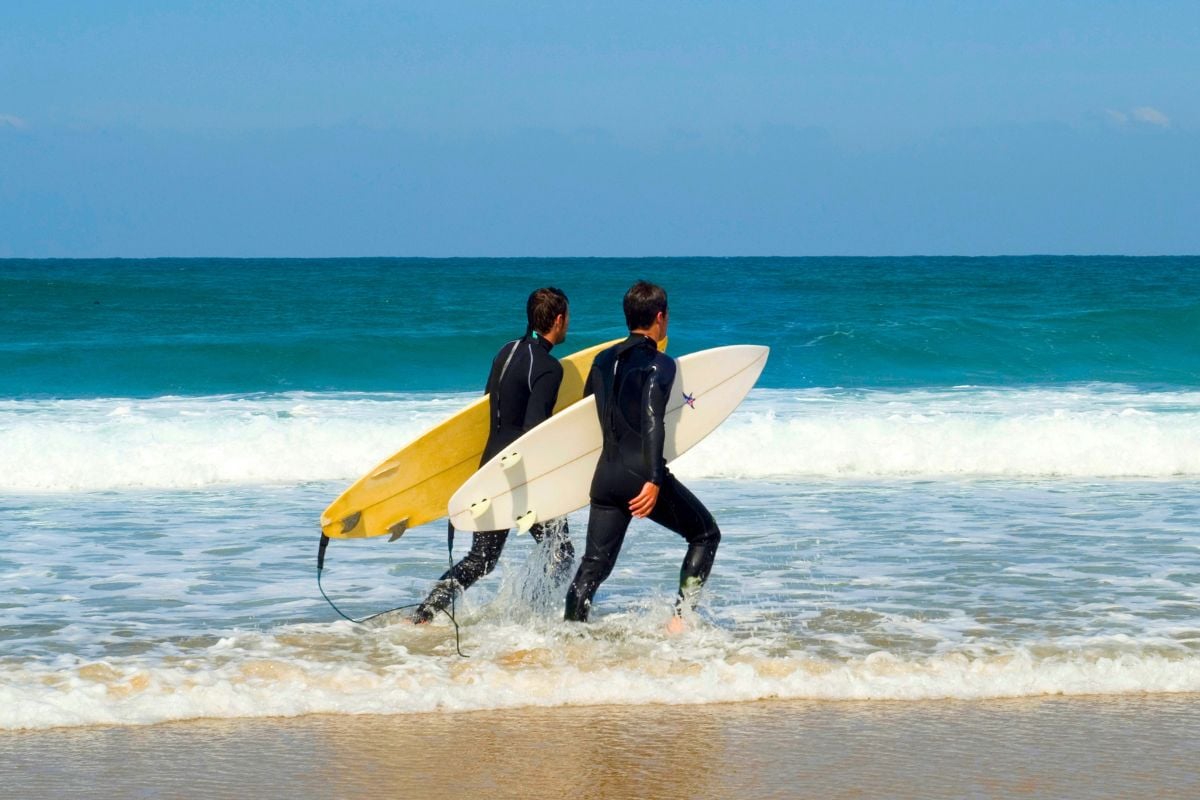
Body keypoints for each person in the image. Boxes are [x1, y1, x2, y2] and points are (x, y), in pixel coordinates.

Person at [412, 287, 574, 624]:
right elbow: (535, 430)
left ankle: (425, 613)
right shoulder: (548, 367)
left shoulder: (505, 351)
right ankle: (537, 618)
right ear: (558, 320)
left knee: (481, 559)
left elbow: (487, 405)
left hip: (489, 469)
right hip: (522, 475)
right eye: (567, 318)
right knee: (562, 553)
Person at [564, 281, 720, 628]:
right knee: (705, 535)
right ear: (660, 318)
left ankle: (569, 637)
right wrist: (653, 480)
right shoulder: (659, 364)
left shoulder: (602, 360)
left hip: (604, 477)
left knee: (593, 567)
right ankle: (681, 619)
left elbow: (585, 411)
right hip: (640, 475)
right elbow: (652, 422)